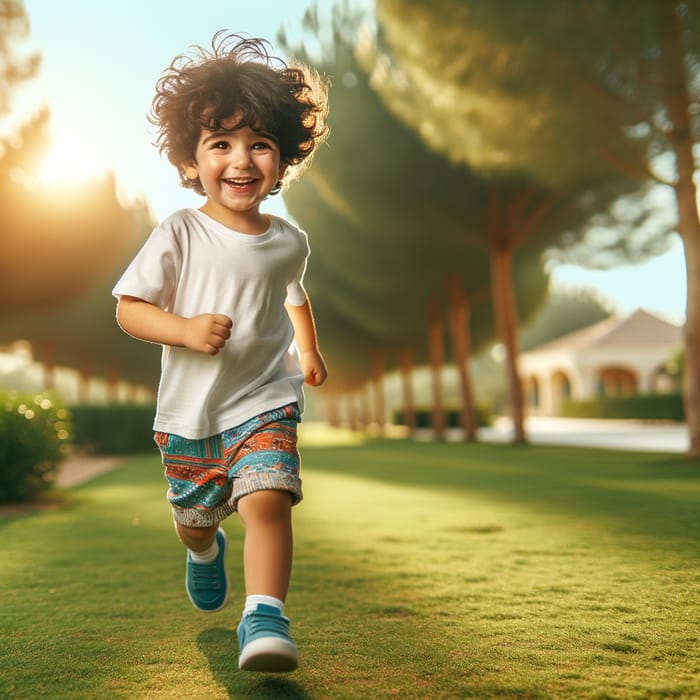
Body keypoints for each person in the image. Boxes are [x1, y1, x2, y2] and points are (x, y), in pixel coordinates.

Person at [112, 32, 329, 673]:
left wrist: (309, 354)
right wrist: (182, 330)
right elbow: (129, 308)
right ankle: (204, 550)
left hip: (264, 399)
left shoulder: (291, 241)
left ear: (283, 157)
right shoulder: (178, 230)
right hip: (190, 416)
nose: (241, 159)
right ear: (192, 159)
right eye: (221, 143)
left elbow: (294, 296)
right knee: (195, 519)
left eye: (259, 143)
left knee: (269, 495)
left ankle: (265, 617)